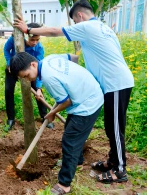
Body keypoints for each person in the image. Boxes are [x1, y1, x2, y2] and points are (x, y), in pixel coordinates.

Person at [14, 0, 134, 184]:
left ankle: (119, 170)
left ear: (79, 15)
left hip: (115, 83)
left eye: (76, 23)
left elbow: (55, 31)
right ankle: (113, 161)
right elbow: (74, 60)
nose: (76, 27)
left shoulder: (87, 26)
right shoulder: (102, 28)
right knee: (111, 127)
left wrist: (28, 30)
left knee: (116, 129)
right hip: (111, 83)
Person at [10, 52, 104, 194]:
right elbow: (73, 57)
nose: (28, 79)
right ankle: (77, 162)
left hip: (87, 103)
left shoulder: (48, 78)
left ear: (33, 64)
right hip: (89, 92)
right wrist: (73, 79)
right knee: (70, 129)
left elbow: (66, 101)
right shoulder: (50, 59)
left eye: (26, 76)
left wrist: (52, 113)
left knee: (70, 140)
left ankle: (64, 184)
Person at [4, 22, 53, 130]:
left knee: (38, 91)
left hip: (30, 72)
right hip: (12, 68)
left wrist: (39, 87)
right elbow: (6, 50)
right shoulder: (15, 39)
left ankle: (44, 116)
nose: (35, 42)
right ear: (26, 37)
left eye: (37, 40)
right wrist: (8, 63)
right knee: (8, 90)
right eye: (32, 40)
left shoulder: (39, 49)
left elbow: (39, 70)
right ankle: (10, 118)